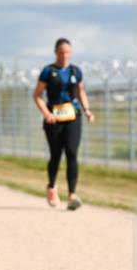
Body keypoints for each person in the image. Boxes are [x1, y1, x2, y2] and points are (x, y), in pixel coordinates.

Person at [33, 38, 95, 210]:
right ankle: (52, 186)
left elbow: (81, 92)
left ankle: (72, 195)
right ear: (56, 53)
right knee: (56, 155)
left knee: (72, 152)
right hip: (54, 118)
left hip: (73, 116)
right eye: (61, 52)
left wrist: (87, 110)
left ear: (71, 53)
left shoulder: (76, 71)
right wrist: (46, 113)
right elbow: (37, 95)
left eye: (67, 52)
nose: (64, 55)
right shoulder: (48, 71)